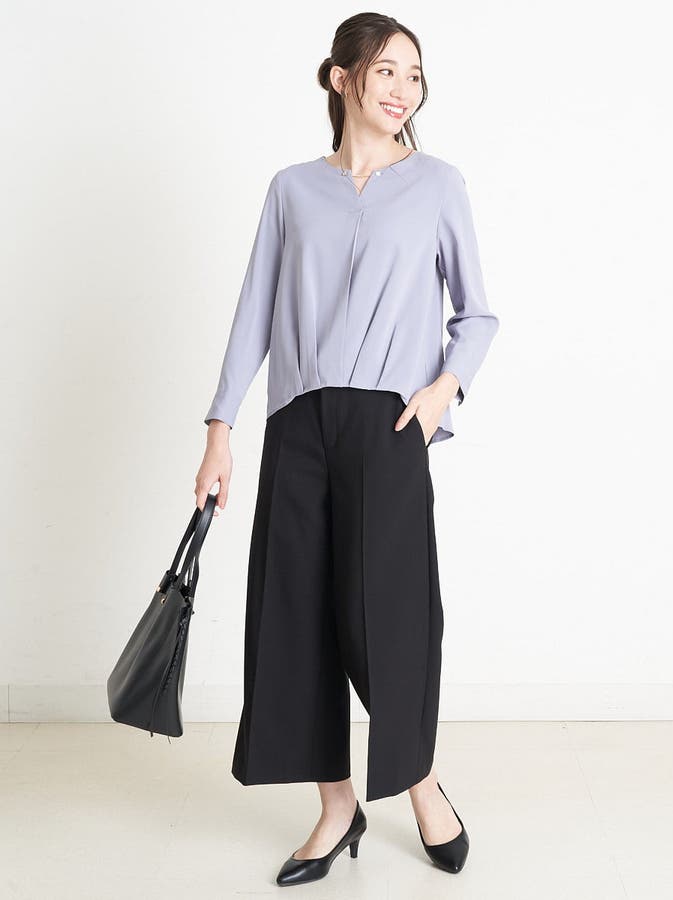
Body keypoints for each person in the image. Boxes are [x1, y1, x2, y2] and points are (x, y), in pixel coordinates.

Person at [194, 13, 499, 887]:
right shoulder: (293, 189)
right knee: (295, 617)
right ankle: (337, 807)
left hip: (388, 427)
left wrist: (440, 392)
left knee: (390, 620)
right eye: (387, 71)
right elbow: (255, 310)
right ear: (342, 78)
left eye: (415, 75)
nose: (404, 90)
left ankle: (421, 784)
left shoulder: (437, 185)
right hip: (298, 424)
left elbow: (477, 314)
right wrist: (220, 428)